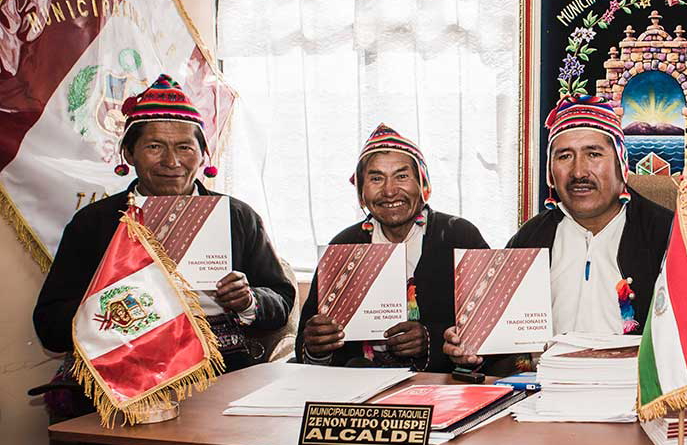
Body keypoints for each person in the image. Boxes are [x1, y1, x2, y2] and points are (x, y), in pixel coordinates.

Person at [34, 74, 295, 377]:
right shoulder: (94, 223)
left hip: (221, 367)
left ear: (202, 155)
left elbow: (281, 301)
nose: (172, 161)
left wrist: (248, 300)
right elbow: (49, 325)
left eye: (185, 147)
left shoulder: (236, 216)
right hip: (122, 368)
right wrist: (112, 303)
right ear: (128, 153)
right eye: (155, 146)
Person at [444, 95, 675, 371]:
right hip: (542, 396)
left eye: (594, 154)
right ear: (551, 171)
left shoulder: (667, 235)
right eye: (565, 156)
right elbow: (496, 348)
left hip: (637, 398)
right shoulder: (531, 239)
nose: (579, 171)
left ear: (620, 163)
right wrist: (472, 350)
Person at [296, 124, 488, 370]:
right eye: (376, 179)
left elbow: (486, 328)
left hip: (441, 387)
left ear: (422, 183)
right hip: (359, 388)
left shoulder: (459, 236)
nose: (389, 191)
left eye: (402, 176)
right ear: (361, 192)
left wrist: (431, 340)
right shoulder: (343, 247)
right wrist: (316, 344)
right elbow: (308, 348)